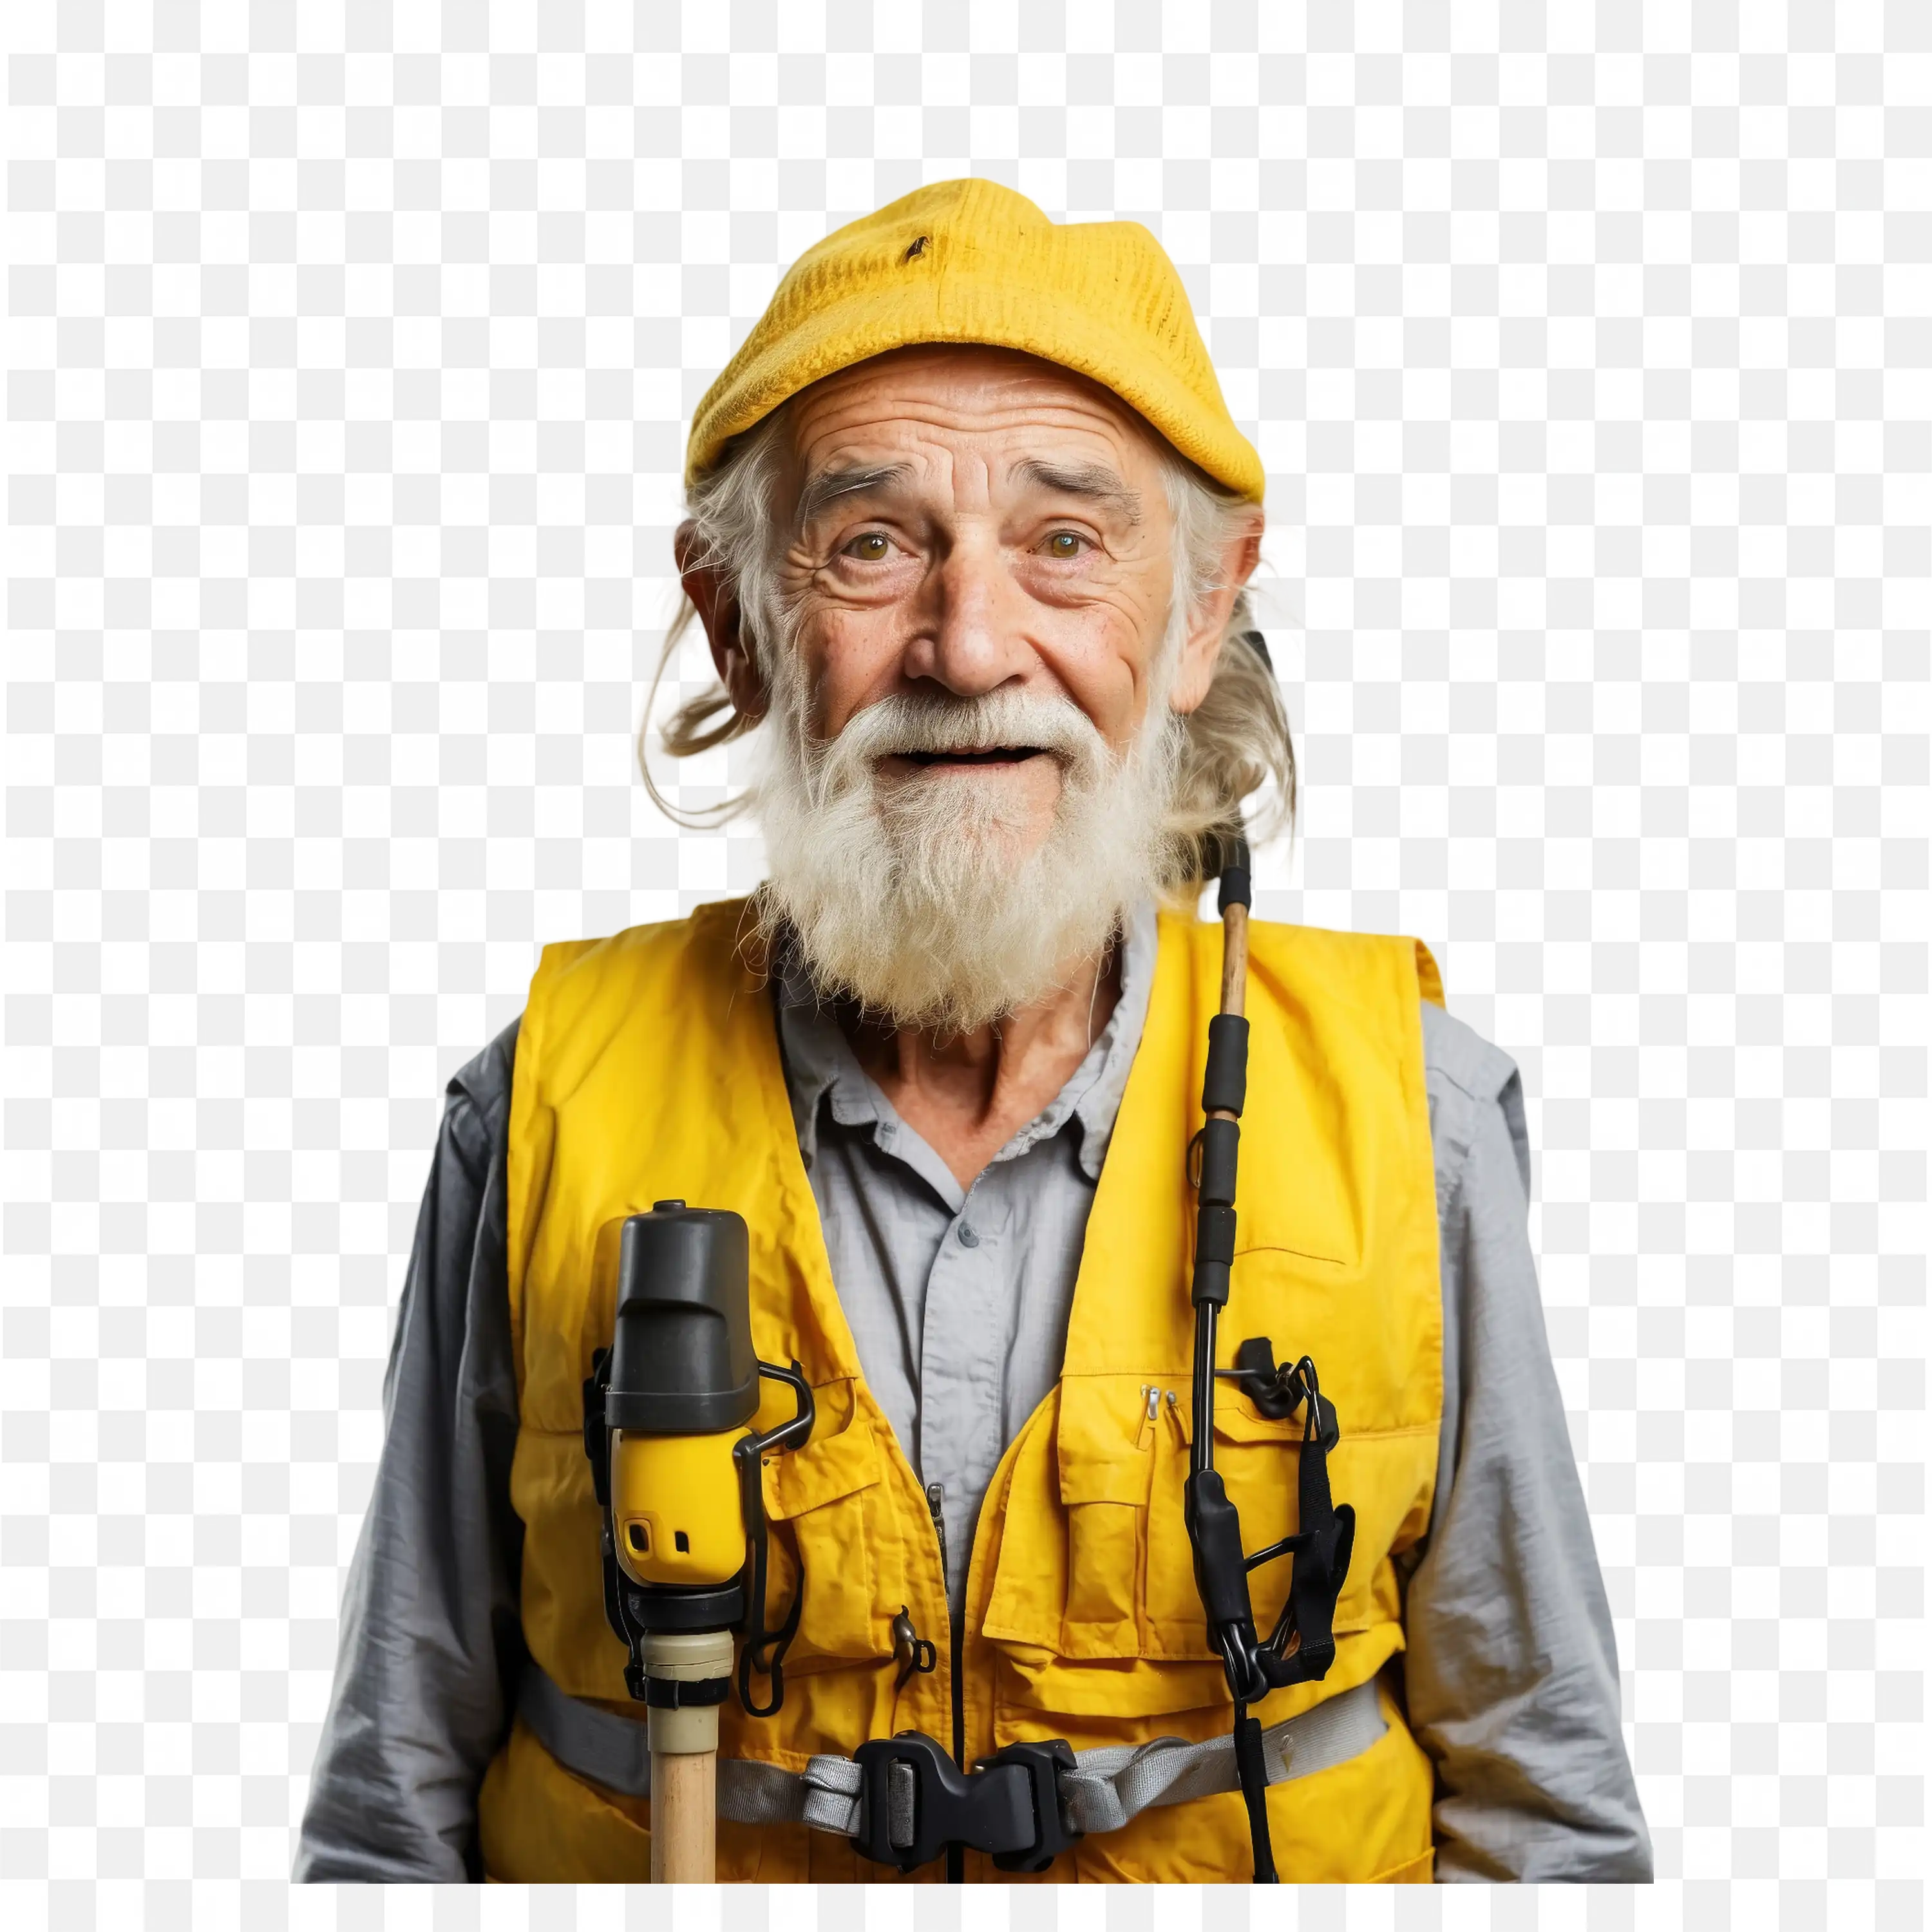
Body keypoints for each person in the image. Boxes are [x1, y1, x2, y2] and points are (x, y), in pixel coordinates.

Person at [296, 176, 1651, 1885]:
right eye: (870, 543)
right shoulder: (539, 1106)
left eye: (1065, 542)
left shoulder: (1416, 1112)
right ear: (739, 621)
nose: (969, 642)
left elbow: (1549, 1805)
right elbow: (393, 1793)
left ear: (1202, 613)